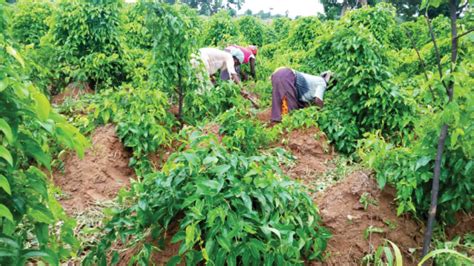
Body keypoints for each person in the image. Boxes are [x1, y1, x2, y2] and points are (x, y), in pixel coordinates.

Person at [270, 67, 334, 122]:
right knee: (291, 112)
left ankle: (276, 122)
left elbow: (304, 103)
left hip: (278, 74)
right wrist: (320, 114)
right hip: (287, 76)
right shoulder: (323, 83)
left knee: (278, 100)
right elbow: (318, 100)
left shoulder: (315, 81)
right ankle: (286, 125)